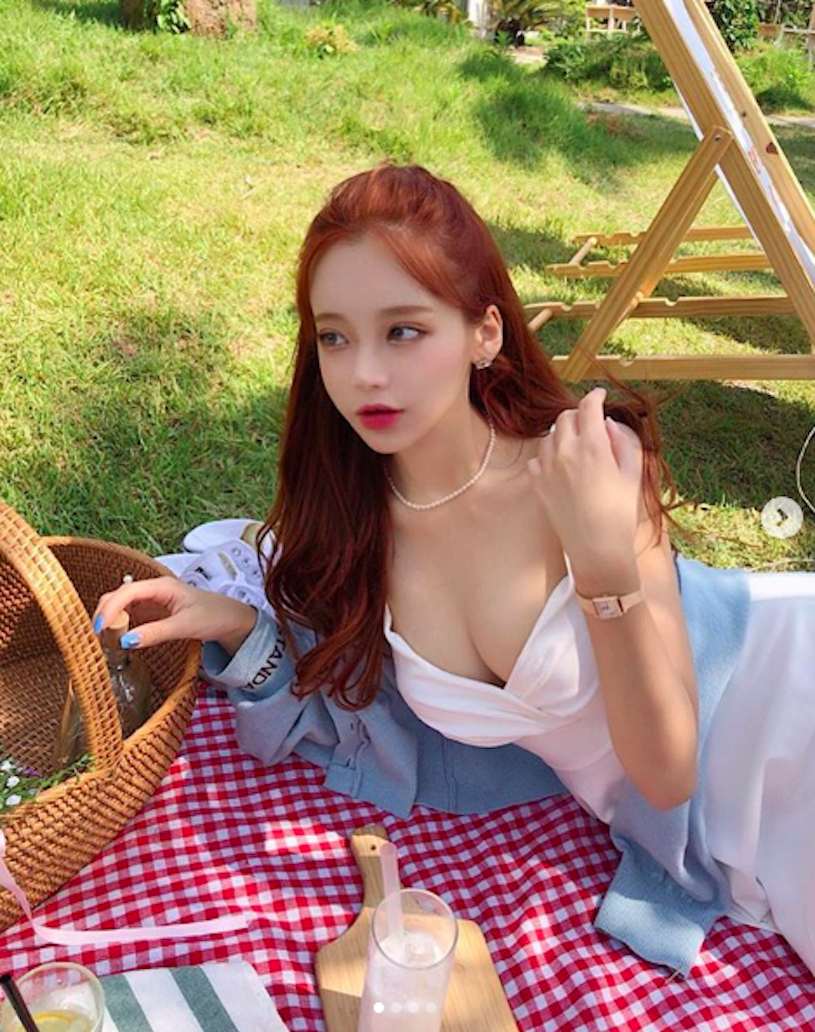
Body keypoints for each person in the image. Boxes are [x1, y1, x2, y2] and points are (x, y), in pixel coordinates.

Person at [92, 162, 815, 980]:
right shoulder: (353, 529)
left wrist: (602, 564)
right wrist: (234, 621)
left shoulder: (584, 469)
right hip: (723, 823)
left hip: (777, 704)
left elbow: (666, 770)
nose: (363, 373)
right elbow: (351, 698)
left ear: (484, 334)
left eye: (403, 331)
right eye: (334, 336)